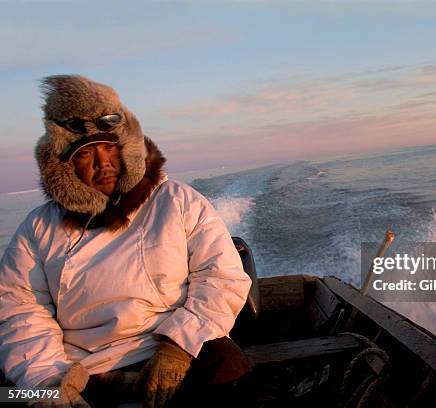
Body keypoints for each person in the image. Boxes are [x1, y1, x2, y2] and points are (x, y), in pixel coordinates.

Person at [0, 75, 253, 407]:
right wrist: (48, 379)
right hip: (82, 366)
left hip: (172, 345)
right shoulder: (39, 227)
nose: (103, 162)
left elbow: (221, 276)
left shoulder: (175, 200)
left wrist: (177, 347)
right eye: (85, 153)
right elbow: (19, 310)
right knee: (16, 395)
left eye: (109, 148)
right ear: (64, 167)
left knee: (230, 366)